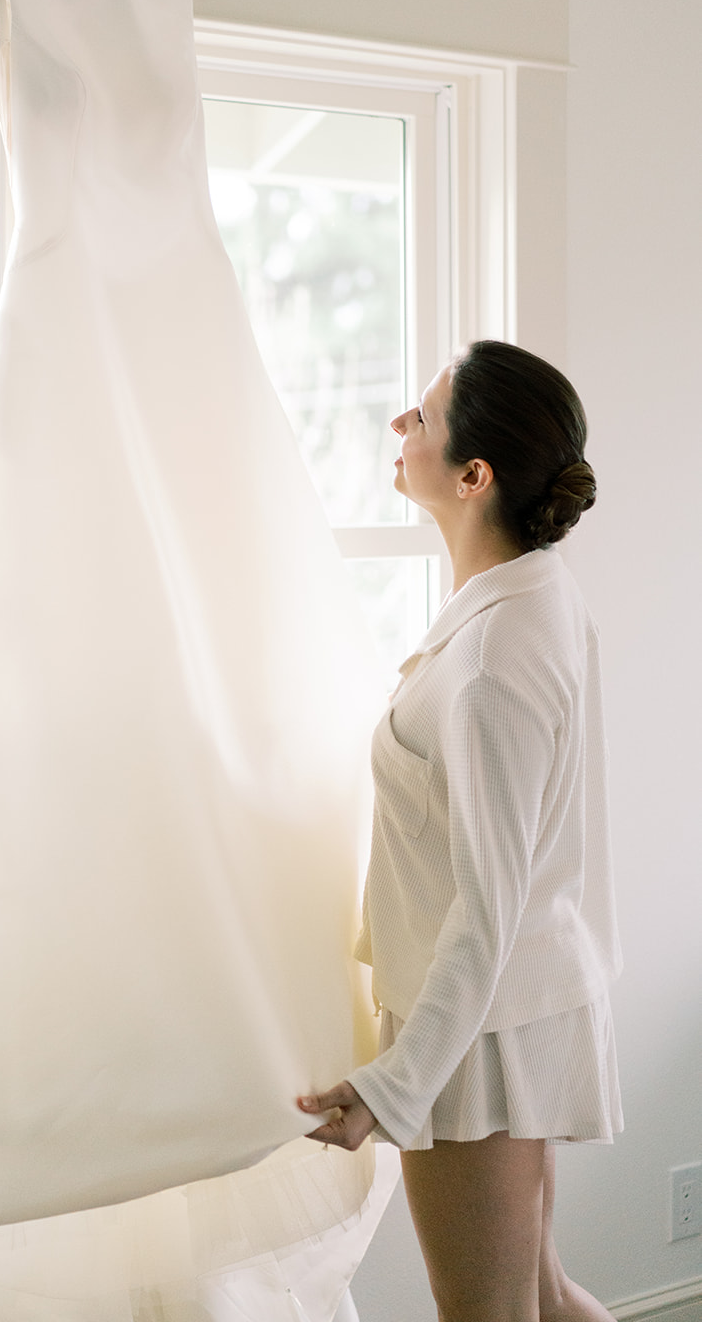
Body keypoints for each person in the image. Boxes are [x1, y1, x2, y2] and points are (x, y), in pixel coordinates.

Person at [298, 340, 622, 1322]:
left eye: (424, 418)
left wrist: (394, 1082)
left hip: (472, 1039)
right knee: (542, 1300)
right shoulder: (531, 597)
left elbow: (486, 909)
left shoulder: (488, 664)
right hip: (505, 1015)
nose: (400, 423)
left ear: (473, 475)